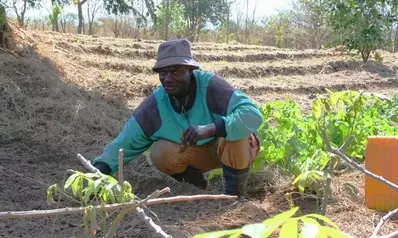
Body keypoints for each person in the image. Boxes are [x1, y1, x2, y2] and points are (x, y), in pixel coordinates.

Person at [92, 39, 263, 199]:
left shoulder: (212, 87)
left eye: (175, 72)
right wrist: (99, 171)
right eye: (163, 73)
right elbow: (125, 142)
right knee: (159, 153)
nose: (168, 78)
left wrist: (210, 129)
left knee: (238, 135)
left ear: (190, 70)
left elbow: (252, 114)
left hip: (229, 149)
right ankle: (197, 184)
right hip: (198, 155)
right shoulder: (155, 106)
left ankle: (235, 196)